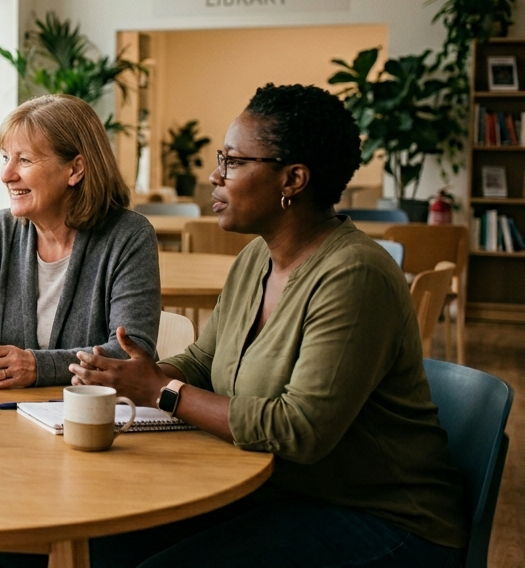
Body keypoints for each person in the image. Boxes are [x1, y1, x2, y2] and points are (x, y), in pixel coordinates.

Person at [68, 84, 466, 568]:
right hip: (272, 492)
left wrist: (162, 391)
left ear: (292, 179)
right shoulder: (258, 256)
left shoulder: (355, 275)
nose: (215, 174)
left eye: (233, 161)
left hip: (384, 519)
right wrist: (129, 376)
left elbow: (300, 430)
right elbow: (206, 359)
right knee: (94, 542)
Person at [0, 94, 161, 568]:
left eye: (24, 160)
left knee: (9, 548)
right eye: (5, 158)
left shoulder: (128, 236)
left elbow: (132, 355)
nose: (7, 174)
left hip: (86, 449)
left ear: (76, 169)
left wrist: (36, 366)